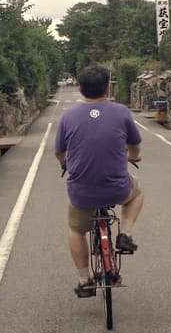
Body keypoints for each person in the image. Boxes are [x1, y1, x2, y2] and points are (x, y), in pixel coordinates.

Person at [54, 65, 143, 298]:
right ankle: (126, 233)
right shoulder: (121, 112)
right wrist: (134, 157)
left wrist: (65, 163)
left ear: (80, 89)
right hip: (117, 188)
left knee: (76, 230)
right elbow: (134, 146)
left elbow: (59, 151)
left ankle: (85, 280)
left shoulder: (68, 116)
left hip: (82, 192)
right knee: (136, 193)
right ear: (107, 88)